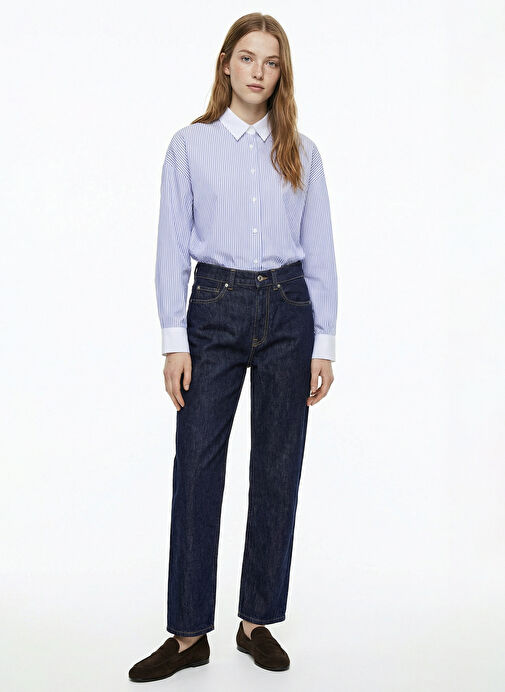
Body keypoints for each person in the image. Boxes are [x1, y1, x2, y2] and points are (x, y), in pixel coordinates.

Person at [129, 11, 338, 683]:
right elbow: (171, 246)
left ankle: (256, 621)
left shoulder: (302, 151)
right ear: (226, 63)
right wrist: (173, 339)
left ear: (281, 73)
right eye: (247, 57)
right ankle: (189, 633)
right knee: (196, 467)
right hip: (213, 310)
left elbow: (320, 252)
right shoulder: (189, 146)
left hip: (288, 311)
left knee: (277, 467)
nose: (257, 71)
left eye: (270, 62)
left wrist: (324, 343)